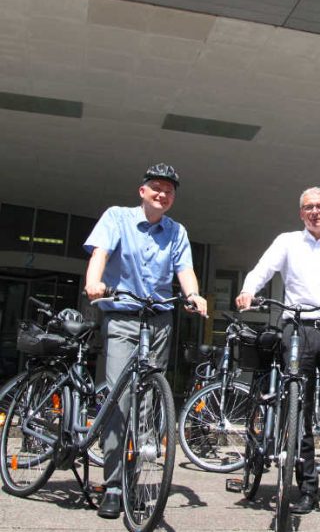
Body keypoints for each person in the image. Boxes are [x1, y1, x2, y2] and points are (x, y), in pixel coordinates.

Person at [235, 186, 320, 520]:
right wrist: (248, 290)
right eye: (308, 207)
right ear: (301, 213)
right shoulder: (287, 241)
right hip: (296, 327)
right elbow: (263, 268)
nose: (315, 212)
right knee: (299, 408)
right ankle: (306, 489)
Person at [83, 163, 208, 520]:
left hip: (159, 320)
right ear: (142, 191)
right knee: (120, 399)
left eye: (168, 191)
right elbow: (101, 254)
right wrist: (94, 282)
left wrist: (194, 295)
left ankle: (136, 482)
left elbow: (184, 269)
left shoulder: (176, 231)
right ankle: (112, 485)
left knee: (148, 400)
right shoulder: (118, 217)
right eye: (156, 187)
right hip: (123, 315)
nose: (162, 194)